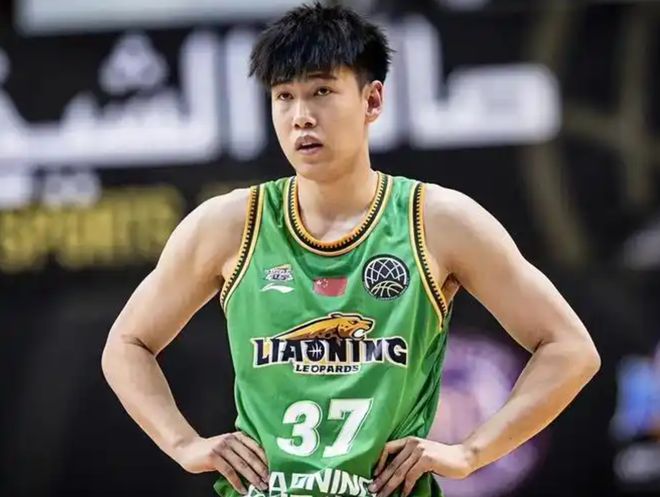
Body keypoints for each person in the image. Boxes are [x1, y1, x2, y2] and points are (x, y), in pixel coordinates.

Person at [101, 4, 601, 497]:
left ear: (372, 100)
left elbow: (570, 349)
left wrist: (471, 452)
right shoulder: (229, 224)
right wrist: (185, 445)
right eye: (284, 97)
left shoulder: (436, 220)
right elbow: (126, 345)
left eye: (321, 92)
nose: (301, 117)